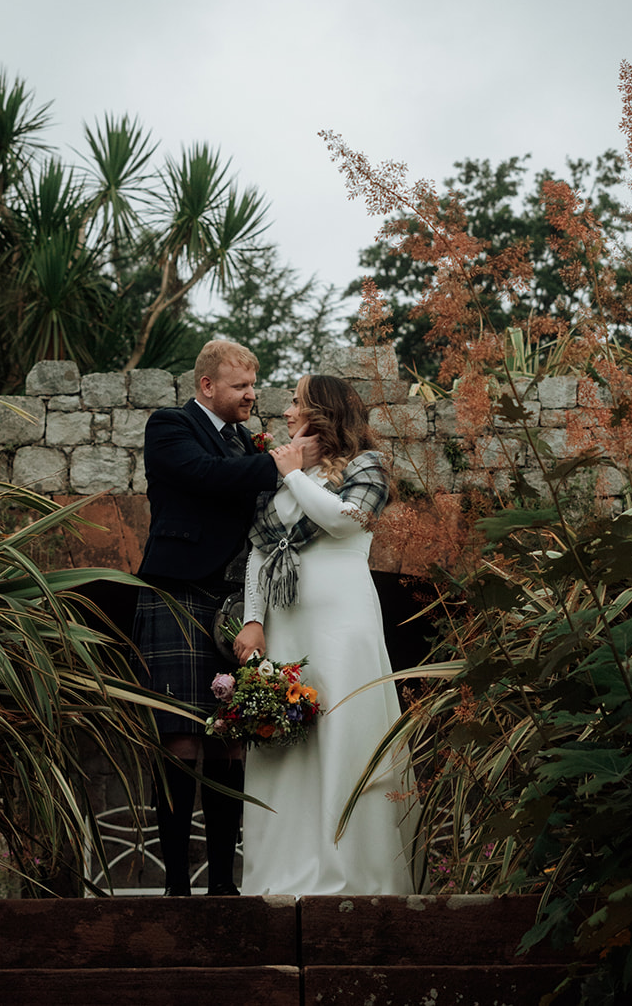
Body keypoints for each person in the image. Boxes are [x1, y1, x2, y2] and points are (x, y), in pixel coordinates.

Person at [134, 339, 317, 896]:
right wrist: (274, 464)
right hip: (176, 592)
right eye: (240, 386)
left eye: (253, 385)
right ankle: (175, 887)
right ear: (207, 386)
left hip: (235, 603)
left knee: (230, 738)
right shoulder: (170, 426)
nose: (251, 394)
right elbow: (202, 475)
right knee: (181, 740)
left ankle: (222, 886)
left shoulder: (244, 442)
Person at [234, 374, 417, 896]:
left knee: (343, 736)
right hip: (287, 624)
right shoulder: (285, 474)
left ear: (323, 412)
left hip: (342, 625)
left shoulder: (366, 467)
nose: (287, 412)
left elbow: (344, 520)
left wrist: (293, 475)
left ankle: (350, 872)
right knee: (283, 744)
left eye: (296, 402)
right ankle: (277, 874)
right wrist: (254, 619)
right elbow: (259, 551)